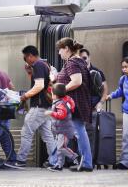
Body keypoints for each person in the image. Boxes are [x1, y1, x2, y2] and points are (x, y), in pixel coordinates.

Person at [5, 45, 56, 168]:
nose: (26, 61)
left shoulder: (38, 65)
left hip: (38, 106)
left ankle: (21, 160)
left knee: (26, 132)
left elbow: (39, 86)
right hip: (46, 106)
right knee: (48, 135)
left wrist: (25, 96)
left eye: (25, 58)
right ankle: (55, 160)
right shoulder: (45, 65)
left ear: (30, 56)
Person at [55, 37, 93, 172]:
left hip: (75, 102)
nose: (59, 53)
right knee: (79, 132)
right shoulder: (78, 61)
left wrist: (61, 90)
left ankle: (87, 163)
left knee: (79, 132)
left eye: (60, 50)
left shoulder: (71, 62)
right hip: (78, 101)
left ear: (66, 48)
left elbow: (76, 81)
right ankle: (85, 161)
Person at [45, 83, 81, 172]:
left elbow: (62, 115)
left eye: (52, 93)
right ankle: (59, 165)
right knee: (59, 148)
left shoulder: (60, 104)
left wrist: (51, 113)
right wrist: (49, 86)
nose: (51, 95)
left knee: (61, 148)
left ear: (56, 95)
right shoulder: (60, 101)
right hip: (60, 129)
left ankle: (75, 157)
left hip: (64, 130)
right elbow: (52, 90)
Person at [79, 48, 108, 159]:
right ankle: (80, 159)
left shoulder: (98, 72)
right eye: (81, 59)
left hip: (92, 109)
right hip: (80, 108)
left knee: (90, 134)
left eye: (85, 58)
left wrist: (100, 102)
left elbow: (105, 89)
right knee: (80, 134)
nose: (83, 60)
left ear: (89, 57)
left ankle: (88, 160)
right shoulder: (77, 72)